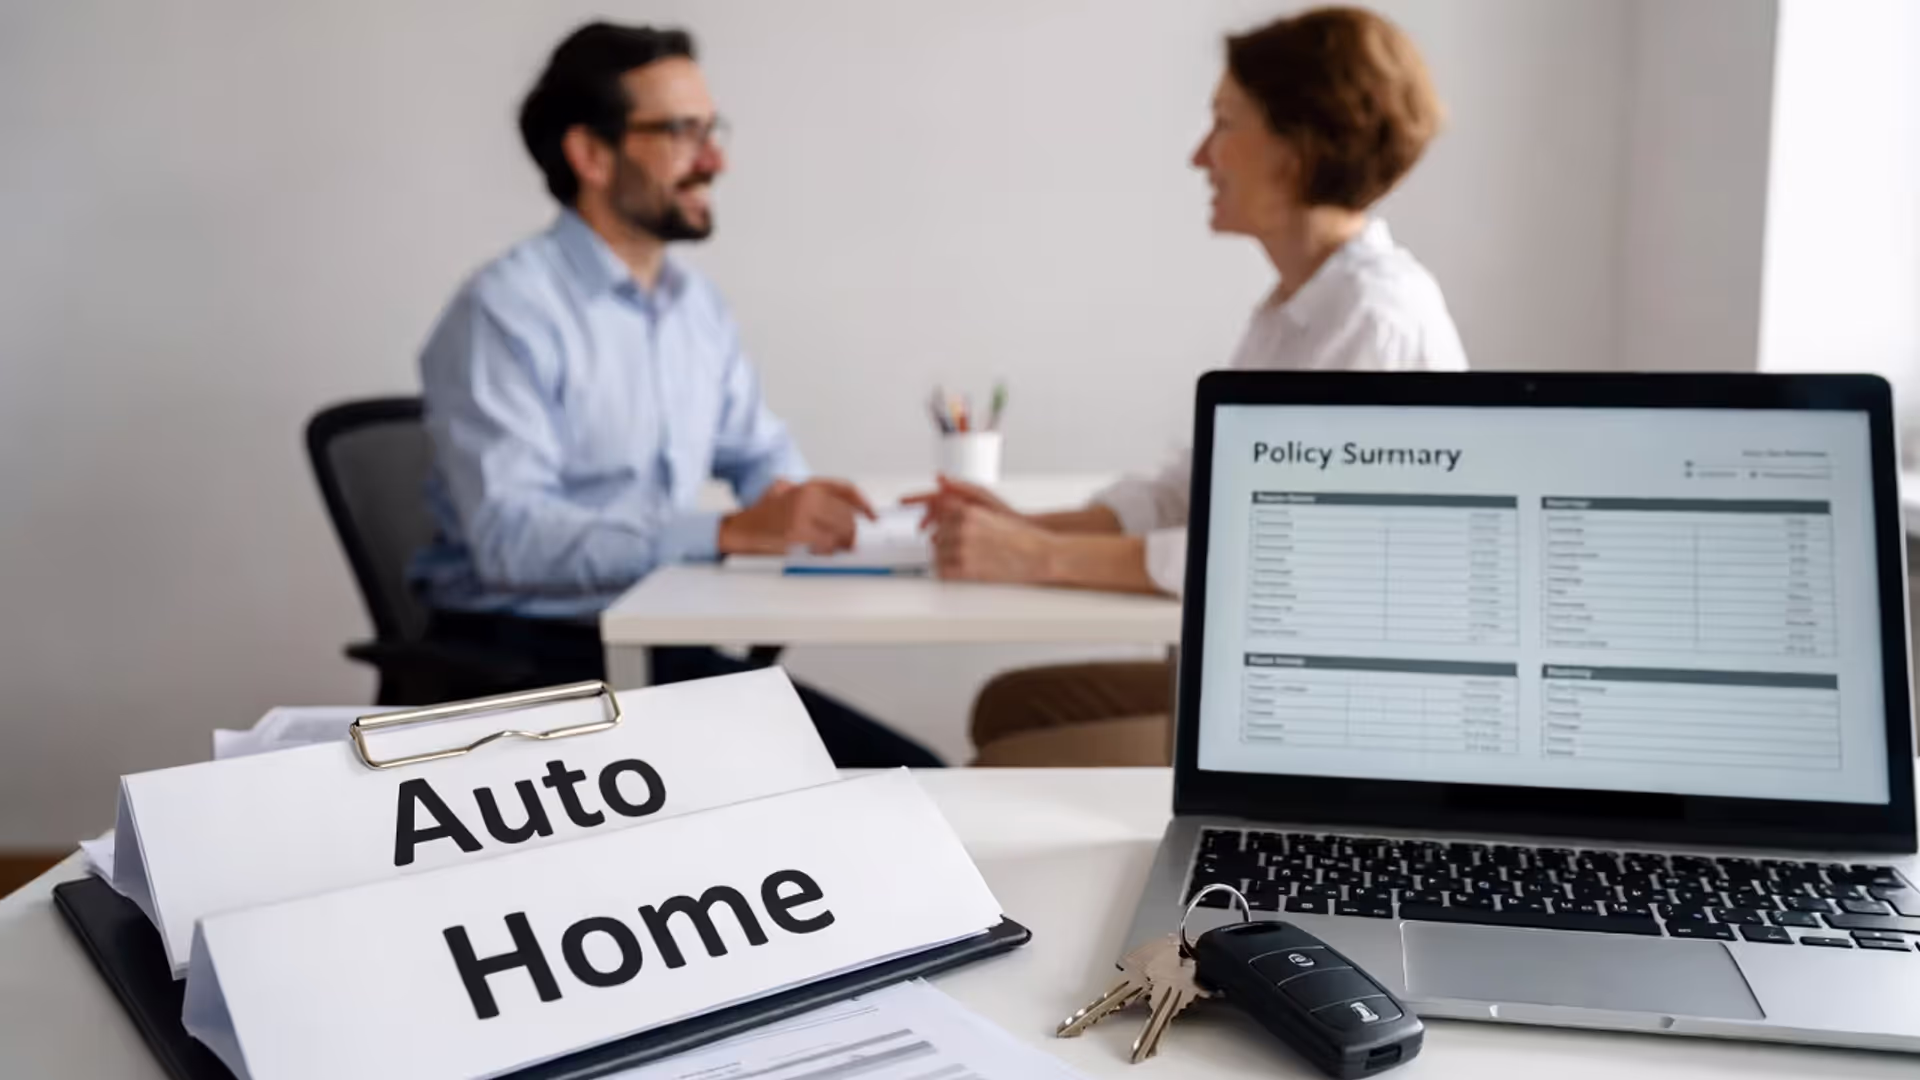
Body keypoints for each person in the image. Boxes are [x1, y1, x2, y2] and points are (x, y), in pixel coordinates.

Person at [912, 6, 1466, 766]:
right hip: (1257, 675)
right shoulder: (1299, 306)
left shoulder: (1374, 322)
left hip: (1329, 722)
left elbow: (1270, 567)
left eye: (1224, 123)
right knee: (1006, 705)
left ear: (1299, 147)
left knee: (997, 767)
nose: (1201, 156)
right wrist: (1028, 524)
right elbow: (1196, 492)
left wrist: (1036, 557)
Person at [411, 22, 940, 767]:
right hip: (538, 667)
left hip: (661, 637)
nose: (715, 159)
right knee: (901, 786)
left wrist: (793, 502)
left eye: (711, 129)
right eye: (683, 133)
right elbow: (511, 539)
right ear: (591, 154)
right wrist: (725, 534)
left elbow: (755, 449)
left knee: (914, 780)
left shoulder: (692, 306)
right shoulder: (504, 311)